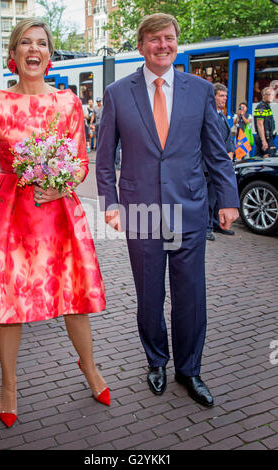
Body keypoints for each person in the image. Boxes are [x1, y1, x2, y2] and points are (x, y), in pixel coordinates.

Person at [96, 13, 239, 408]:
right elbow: (105, 159)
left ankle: (189, 370)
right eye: (154, 39)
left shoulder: (200, 90)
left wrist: (227, 199)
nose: (163, 45)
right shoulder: (118, 93)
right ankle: (156, 360)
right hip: (141, 212)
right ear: (141, 46)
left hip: (187, 210)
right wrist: (110, 204)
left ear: (177, 43)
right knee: (149, 295)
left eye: (169, 38)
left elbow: (215, 152)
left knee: (190, 295)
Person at [0, 18, 108, 429]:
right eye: (25, 44)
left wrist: (61, 184)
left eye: (42, 44)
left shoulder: (68, 103)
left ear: (49, 56)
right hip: (8, 215)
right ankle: (8, 385)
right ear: (15, 54)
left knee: (73, 298)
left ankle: (89, 369)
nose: (34, 50)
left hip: (57, 215)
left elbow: (81, 162)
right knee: (6, 299)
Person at [205, 83, 235, 241]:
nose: (224, 99)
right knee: (209, 198)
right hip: (209, 165)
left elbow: (227, 138)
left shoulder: (222, 116)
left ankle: (216, 223)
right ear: (213, 96)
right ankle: (207, 227)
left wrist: (230, 153)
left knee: (217, 196)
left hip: (222, 162)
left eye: (225, 96)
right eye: (221, 96)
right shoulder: (210, 115)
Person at [253, 87, 276, 158]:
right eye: (269, 94)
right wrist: (264, 141)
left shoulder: (266, 107)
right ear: (263, 96)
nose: (271, 97)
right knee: (267, 157)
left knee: (261, 157)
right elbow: (260, 124)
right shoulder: (261, 108)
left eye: (272, 95)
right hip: (265, 137)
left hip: (268, 137)